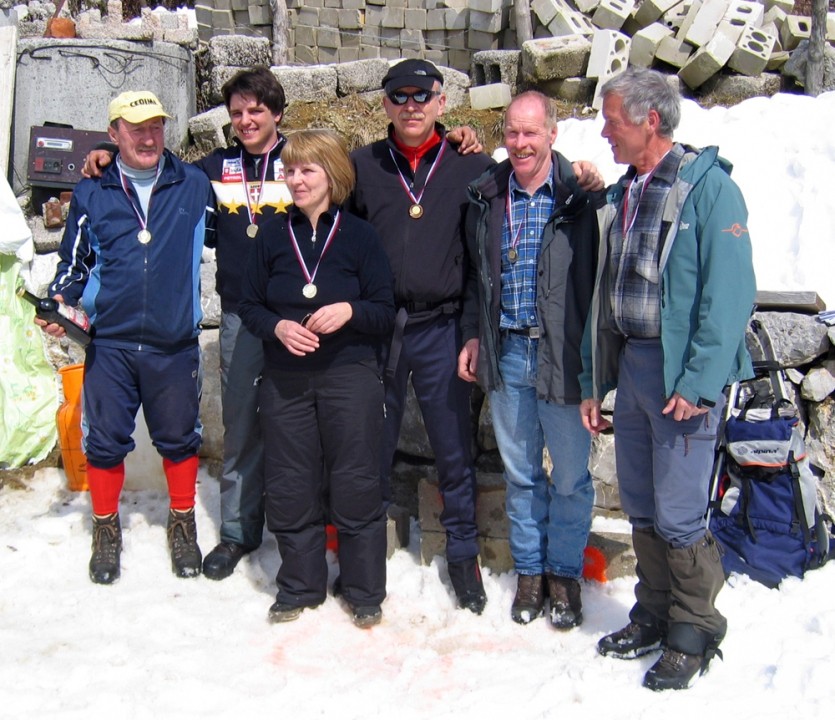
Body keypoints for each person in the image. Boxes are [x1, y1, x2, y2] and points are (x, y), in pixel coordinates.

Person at [579, 68, 756, 691]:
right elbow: (606, 297)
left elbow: (730, 296)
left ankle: (695, 627)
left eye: (612, 119)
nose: (604, 131)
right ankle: (653, 611)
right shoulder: (624, 192)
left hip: (680, 374)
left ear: (651, 120)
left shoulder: (708, 190)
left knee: (681, 514)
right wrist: (593, 381)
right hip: (632, 367)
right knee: (644, 505)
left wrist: (699, 380)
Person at [38, 90, 213, 584]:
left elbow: (242, 224)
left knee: (179, 440)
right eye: (135, 128)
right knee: (105, 443)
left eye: (155, 126)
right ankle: (105, 527)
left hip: (173, 342)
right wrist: (61, 304)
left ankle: (182, 522)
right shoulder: (93, 191)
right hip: (111, 344)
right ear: (113, 135)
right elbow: (72, 265)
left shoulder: (193, 183)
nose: (147, 136)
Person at [348, 59, 495, 614]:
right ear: (384, 103)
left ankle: (462, 553)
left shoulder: (470, 164)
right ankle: (366, 553)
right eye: (399, 96)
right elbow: (311, 191)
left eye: (422, 96)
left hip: (440, 325)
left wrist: (471, 330)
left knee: (453, 447)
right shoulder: (362, 165)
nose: (411, 105)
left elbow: (486, 256)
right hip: (381, 326)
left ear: (440, 102)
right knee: (371, 443)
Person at [238, 129, 395, 628]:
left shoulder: (359, 235)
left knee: (355, 479)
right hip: (286, 378)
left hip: (349, 376)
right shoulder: (269, 234)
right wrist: (278, 325)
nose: (297, 179)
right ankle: (300, 586)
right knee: (290, 482)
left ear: (333, 174)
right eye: (290, 170)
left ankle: (364, 589)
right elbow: (248, 304)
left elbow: (384, 309)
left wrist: (349, 309)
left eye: (308, 169)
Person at [459, 91, 598, 629]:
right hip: (509, 350)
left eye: (531, 133)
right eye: (512, 133)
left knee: (569, 478)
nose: (519, 144)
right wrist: (473, 334)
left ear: (552, 136)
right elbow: (475, 277)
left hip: (561, 355)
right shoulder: (488, 195)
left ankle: (564, 574)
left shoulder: (578, 196)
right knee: (521, 478)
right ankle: (531, 572)